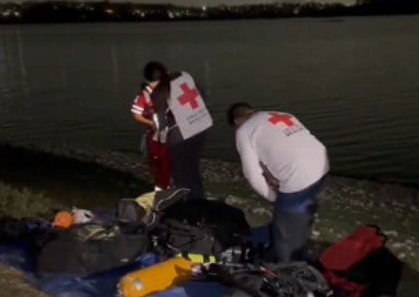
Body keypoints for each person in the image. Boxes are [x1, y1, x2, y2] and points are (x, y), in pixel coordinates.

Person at [227, 102, 329, 263]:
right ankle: (290, 247)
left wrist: (274, 198)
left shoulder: (243, 131)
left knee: (285, 236)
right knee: (298, 218)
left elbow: (252, 174)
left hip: (298, 176)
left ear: (235, 123)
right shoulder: (281, 113)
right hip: (322, 166)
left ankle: (288, 270)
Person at [142, 61, 213, 200]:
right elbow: (203, 95)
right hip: (203, 126)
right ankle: (200, 200)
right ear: (166, 69)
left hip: (181, 137)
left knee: (180, 173)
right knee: (193, 168)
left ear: (150, 81)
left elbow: (161, 124)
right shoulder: (184, 75)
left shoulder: (159, 92)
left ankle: (190, 205)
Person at [131, 79, 171, 191]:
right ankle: (161, 187)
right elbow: (137, 115)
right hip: (156, 134)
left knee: (165, 161)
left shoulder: (168, 91)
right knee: (158, 161)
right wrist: (152, 123)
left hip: (169, 132)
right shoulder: (143, 96)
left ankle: (164, 185)